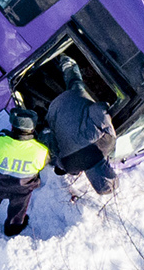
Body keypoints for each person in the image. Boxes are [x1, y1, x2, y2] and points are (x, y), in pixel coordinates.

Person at [0, 108, 48, 238]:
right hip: (23, 189)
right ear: (33, 129)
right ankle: (12, 229)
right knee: (18, 211)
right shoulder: (42, 151)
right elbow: (41, 166)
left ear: (12, 126)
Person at [46, 58, 119, 195]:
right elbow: (52, 145)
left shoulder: (108, 141)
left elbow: (98, 110)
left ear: (110, 170)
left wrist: (106, 106)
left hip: (74, 97)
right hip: (51, 110)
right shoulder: (69, 167)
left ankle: (67, 63)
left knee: (77, 85)